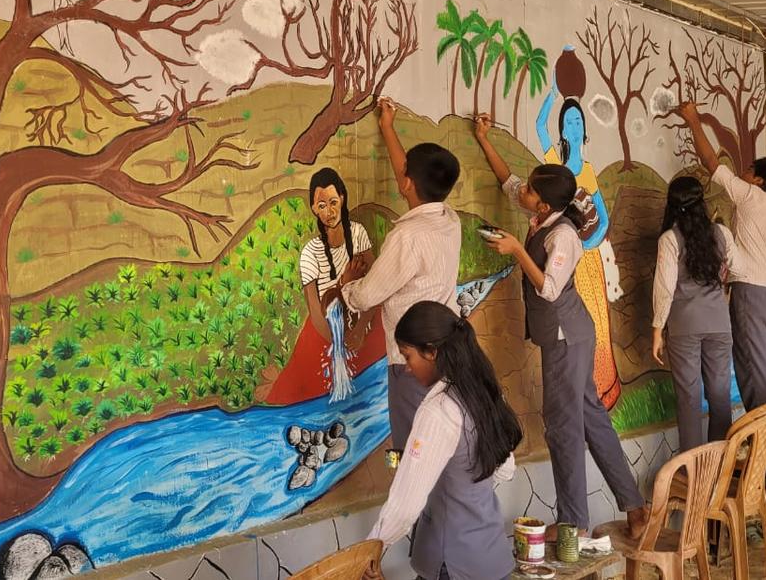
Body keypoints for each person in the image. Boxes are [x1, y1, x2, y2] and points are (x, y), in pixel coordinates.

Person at [478, 116, 647, 540]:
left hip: (565, 337)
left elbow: (550, 289)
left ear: (544, 206)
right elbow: (509, 182)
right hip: (567, 334)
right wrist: (483, 138)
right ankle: (635, 506)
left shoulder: (564, 237)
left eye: (532, 191)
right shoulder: (543, 213)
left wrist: (516, 249)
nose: (524, 192)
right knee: (591, 418)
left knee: (563, 426)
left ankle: (574, 523)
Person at [341, 97, 462, 455]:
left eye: (404, 175)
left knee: (411, 453)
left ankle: (417, 513)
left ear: (408, 183)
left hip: (411, 365)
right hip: (447, 354)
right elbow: (408, 179)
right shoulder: (448, 219)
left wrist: (346, 285)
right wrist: (387, 128)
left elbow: (366, 296)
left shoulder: (406, 237)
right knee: (439, 449)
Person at [367, 301, 522, 580]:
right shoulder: (479, 392)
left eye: (407, 356)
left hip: (454, 565)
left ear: (432, 352)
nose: (406, 368)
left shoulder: (437, 411)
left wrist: (369, 551)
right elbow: (505, 468)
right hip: (493, 558)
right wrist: (464, 494)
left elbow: (405, 504)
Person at [677, 101, 766, 410]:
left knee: (753, 372)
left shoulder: (752, 196)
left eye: (749, 171)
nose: (743, 173)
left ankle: (762, 444)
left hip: (750, 292)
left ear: (758, 180)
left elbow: (712, 163)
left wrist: (693, 121)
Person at [534, 61, 621, 408]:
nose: (573, 124)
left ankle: (603, 387)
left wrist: (586, 243)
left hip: (589, 259)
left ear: (584, 131)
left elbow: (603, 218)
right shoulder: (555, 166)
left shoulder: (587, 170)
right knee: (571, 329)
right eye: (569, 121)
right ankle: (580, 388)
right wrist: (554, 92)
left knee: (596, 322)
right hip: (563, 262)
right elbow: (539, 124)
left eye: (578, 122)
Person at [265, 168, 387, 405]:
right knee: (300, 392)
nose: (329, 211)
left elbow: (374, 287)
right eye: (321, 206)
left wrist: (360, 328)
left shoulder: (358, 233)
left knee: (379, 370)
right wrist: (337, 343)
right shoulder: (311, 252)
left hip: (363, 316)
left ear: (342, 198)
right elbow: (315, 309)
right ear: (313, 208)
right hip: (327, 327)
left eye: (333, 202)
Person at [651, 176, 741, 450]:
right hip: (719, 324)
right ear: (702, 202)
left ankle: (692, 467)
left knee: (688, 397)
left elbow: (664, 288)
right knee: (719, 394)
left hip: (684, 326)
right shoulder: (721, 234)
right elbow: (736, 268)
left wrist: (657, 330)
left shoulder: (670, 239)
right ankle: (719, 464)